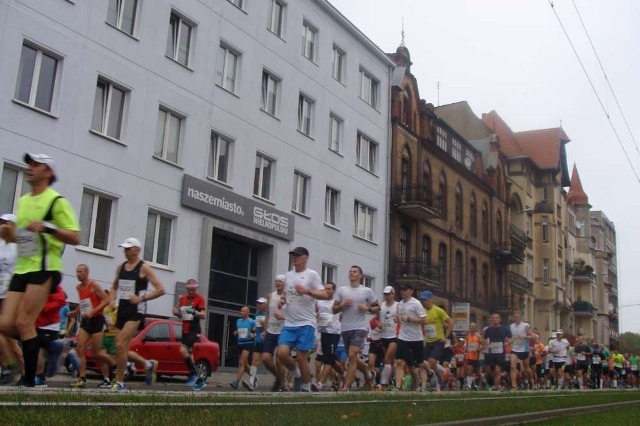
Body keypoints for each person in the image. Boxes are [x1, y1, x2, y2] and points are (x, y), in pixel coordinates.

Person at [0, 153, 80, 388]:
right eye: (29, 164)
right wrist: (8, 234)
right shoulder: (24, 200)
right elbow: (24, 237)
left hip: (45, 267)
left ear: (49, 172)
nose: (30, 168)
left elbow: (75, 236)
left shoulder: (57, 201)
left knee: (24, 322)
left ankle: (29, 381)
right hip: (23, 268)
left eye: (36, 165)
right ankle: (45, 342)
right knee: (5, 324)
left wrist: (47, 227)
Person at [109, 237, 165, 391]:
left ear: (137, 250)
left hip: (136, 311)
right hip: (122, 309)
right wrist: (111, 300)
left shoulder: (144, 268)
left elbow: (161, 289)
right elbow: (114, 287)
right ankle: (148, 364)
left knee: (120, 343)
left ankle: (119, 383)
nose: (125, 251)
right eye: (124, 249)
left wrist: (141, 298)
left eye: (128, 248)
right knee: (121, 349)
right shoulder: (120, 268)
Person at [276, 246, 329, 392]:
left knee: (301, 356)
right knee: (281, 353)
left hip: (306, 323)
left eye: (298, 255)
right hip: (290, 323)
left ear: (306, 258)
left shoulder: (312, 275)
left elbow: (325, 295)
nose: (295, 257)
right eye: (293, 255)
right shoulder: (288, 275)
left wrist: (307, 291)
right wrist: (282, 300)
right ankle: (295, 372)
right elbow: (286, 293)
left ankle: (306, 386)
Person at [333, 265, 379, 392]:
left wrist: (368, 309)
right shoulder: (342, 290)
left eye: (354, 271)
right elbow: (333, 309)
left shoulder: (367, 291)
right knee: (352, 356)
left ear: (360, 275)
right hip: (345, 328)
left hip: (359, 327)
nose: (351, 273)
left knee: (352, 355)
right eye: (350, 271)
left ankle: (346, 386)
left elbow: (377, 307)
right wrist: (342, 305)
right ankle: (368, 374)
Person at [69, 264, 113, 388]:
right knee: (79, 348)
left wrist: (93, 311)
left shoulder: (94, 285)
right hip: (86, 320)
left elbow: (106, 300)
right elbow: (83, 302)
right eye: (77, 271)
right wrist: (76, 311)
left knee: (96, 353)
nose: (78, 274)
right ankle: (82, 378)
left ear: (86, 273)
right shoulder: (78, 287)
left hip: (97, 320)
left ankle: (112, 372)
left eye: (80, 272)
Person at [0, 213, 24, 385]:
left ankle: (15, 367)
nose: (2, 226)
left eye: (5, 223)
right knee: (6, 337)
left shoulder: (19, 244)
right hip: (0, 292)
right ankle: (14, 368)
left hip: (11, 293)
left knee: (6, 335)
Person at [173, 279, 206, 391]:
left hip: (194, 330)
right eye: (190, 290)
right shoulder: (182, 299)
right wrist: (176, 312)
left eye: (194, 289)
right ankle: (200, 381)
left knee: (182, 350)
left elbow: (203, 315)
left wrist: (195, 312)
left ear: (196, 289)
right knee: (190, 357)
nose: (192, 291)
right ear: (187, 289)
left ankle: (192, 375)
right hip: (185, 330)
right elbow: (179, 313)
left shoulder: (200, 299)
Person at [394, 284, 427, 391]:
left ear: (411, 291)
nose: (402, 292)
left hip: (416, 337)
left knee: (419, 364)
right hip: (403, 336)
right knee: (400, 362)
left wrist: (411, 319)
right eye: (401, 290)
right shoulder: (399, 304)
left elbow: (425, 320)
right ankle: (398, 387)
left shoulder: (416, 304)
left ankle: (423, 386)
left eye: (405, 290)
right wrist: (397, 319)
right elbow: (399, 317)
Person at [420, 290, 453, 392]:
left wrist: (445, 336)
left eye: (425, 300)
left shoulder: (438, 310)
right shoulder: (422, 311)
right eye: (422, 300)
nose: (423, 302)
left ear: (430, 299)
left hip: (438, 341)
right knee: (423, 364)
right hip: (428, 341)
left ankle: (439, 378)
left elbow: (451, 322)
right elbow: (422, 324)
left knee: (431, 362)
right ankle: (426, 386)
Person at [315, 282, 344, 391]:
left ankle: (320, 383)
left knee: (327, 359)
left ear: (334, 291)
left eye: (330, 289)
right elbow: (316, 313)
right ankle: (344, 373)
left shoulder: (335, 303)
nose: (327, 290)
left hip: (334, 332)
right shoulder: (319, 302)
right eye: (325, 288)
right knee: (330, 358)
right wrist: (317, 315)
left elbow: (342, 315)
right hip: (323, 332)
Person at [261, 275, 286, 391]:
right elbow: (267, 315)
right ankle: (279, 378)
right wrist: (265, 330)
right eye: (276, 281)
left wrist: (282, 318)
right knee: (265, 358)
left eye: (280, 281)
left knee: (279, 359)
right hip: (271, 331)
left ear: (284, 283)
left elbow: (293, 315)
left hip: (283, 331)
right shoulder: (270, 296)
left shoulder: (288, 297)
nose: (278, 283)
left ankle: (281, 384)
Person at [482, 313, 511, 391]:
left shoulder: (505, 329)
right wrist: (487, 344)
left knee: (498, 370)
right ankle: (498, 382)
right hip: (491, 353)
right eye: (493, 318)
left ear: (500, 319)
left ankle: (496, 387)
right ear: (491, 319)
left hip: (500, 353)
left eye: (496, 318)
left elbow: (511, 338)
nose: (495, 319)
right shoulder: (488, 330)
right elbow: (483, 339)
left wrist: (508, 342)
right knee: (492, 372)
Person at [230, 306, 255, 390]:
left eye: (243, 311)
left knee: (241, 363)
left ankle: (236, 382)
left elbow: (257, 332)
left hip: (248, 343)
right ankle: (253, 377)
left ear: (248, 312)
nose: (241, 313)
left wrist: (253, 335)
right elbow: (237, 331)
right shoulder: (238, 321)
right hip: (240, 343)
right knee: (245, 364)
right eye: (241, 311)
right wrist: (235, 333)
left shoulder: (252, 321)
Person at [246, 297, 268, 391]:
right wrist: (253, 334)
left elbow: (269, 327)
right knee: (254, 360)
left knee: (265, 361)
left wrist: (265, 329)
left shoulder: (268, 314)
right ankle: (251, 381)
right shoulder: (257, 314)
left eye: (261, 303)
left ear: (265, 305)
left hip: (266, 341)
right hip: (257, 340)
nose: (259, 305)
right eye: (258, 303)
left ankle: (280, 381)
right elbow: (257, 328)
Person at [509, 311, 533, 390]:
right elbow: (512, 337)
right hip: (514, 349)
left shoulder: (525, 325)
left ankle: (530, 379)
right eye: (515, 317)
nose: (516, 318)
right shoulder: (511, 326)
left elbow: (532, 335)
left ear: (520, 317)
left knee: (526, 368)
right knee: (513, 367)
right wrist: (509, 341)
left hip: (524, 349)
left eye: (517, 317)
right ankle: (514, 386)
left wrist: (525, 337)